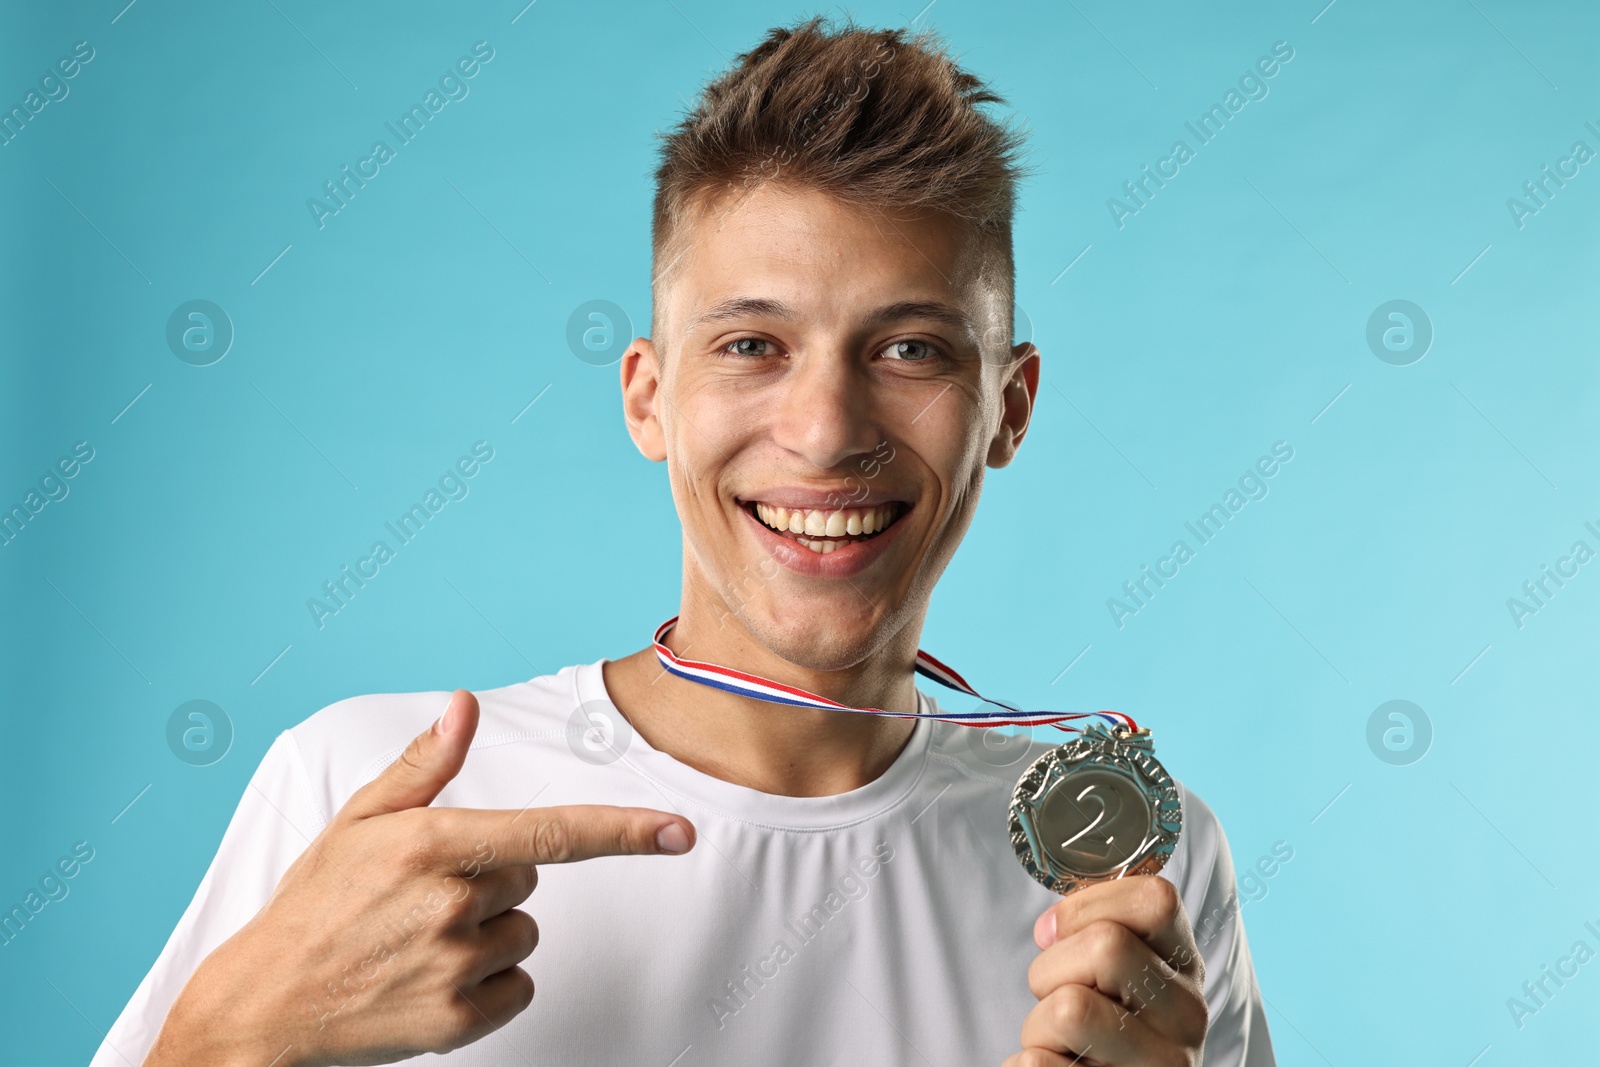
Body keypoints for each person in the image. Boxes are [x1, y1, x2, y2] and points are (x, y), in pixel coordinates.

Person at [95, 17, 1273, 1066]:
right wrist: (234, 1042)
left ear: (1007, 409)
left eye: (909, 347)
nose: (825, 433)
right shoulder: (371, 796)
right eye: (751, 345)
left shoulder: (1131, 875)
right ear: (647, 398)